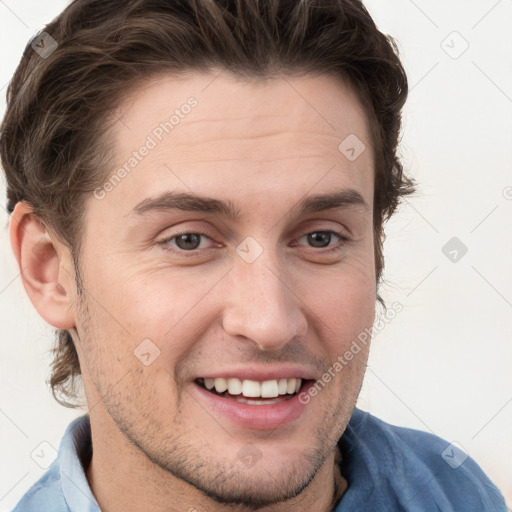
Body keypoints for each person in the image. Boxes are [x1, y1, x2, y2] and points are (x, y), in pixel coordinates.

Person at [0, 0, 507, 511]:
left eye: (320, 238)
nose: (270, 322)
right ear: (50, 270)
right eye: (188, 240)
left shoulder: (462, 495)